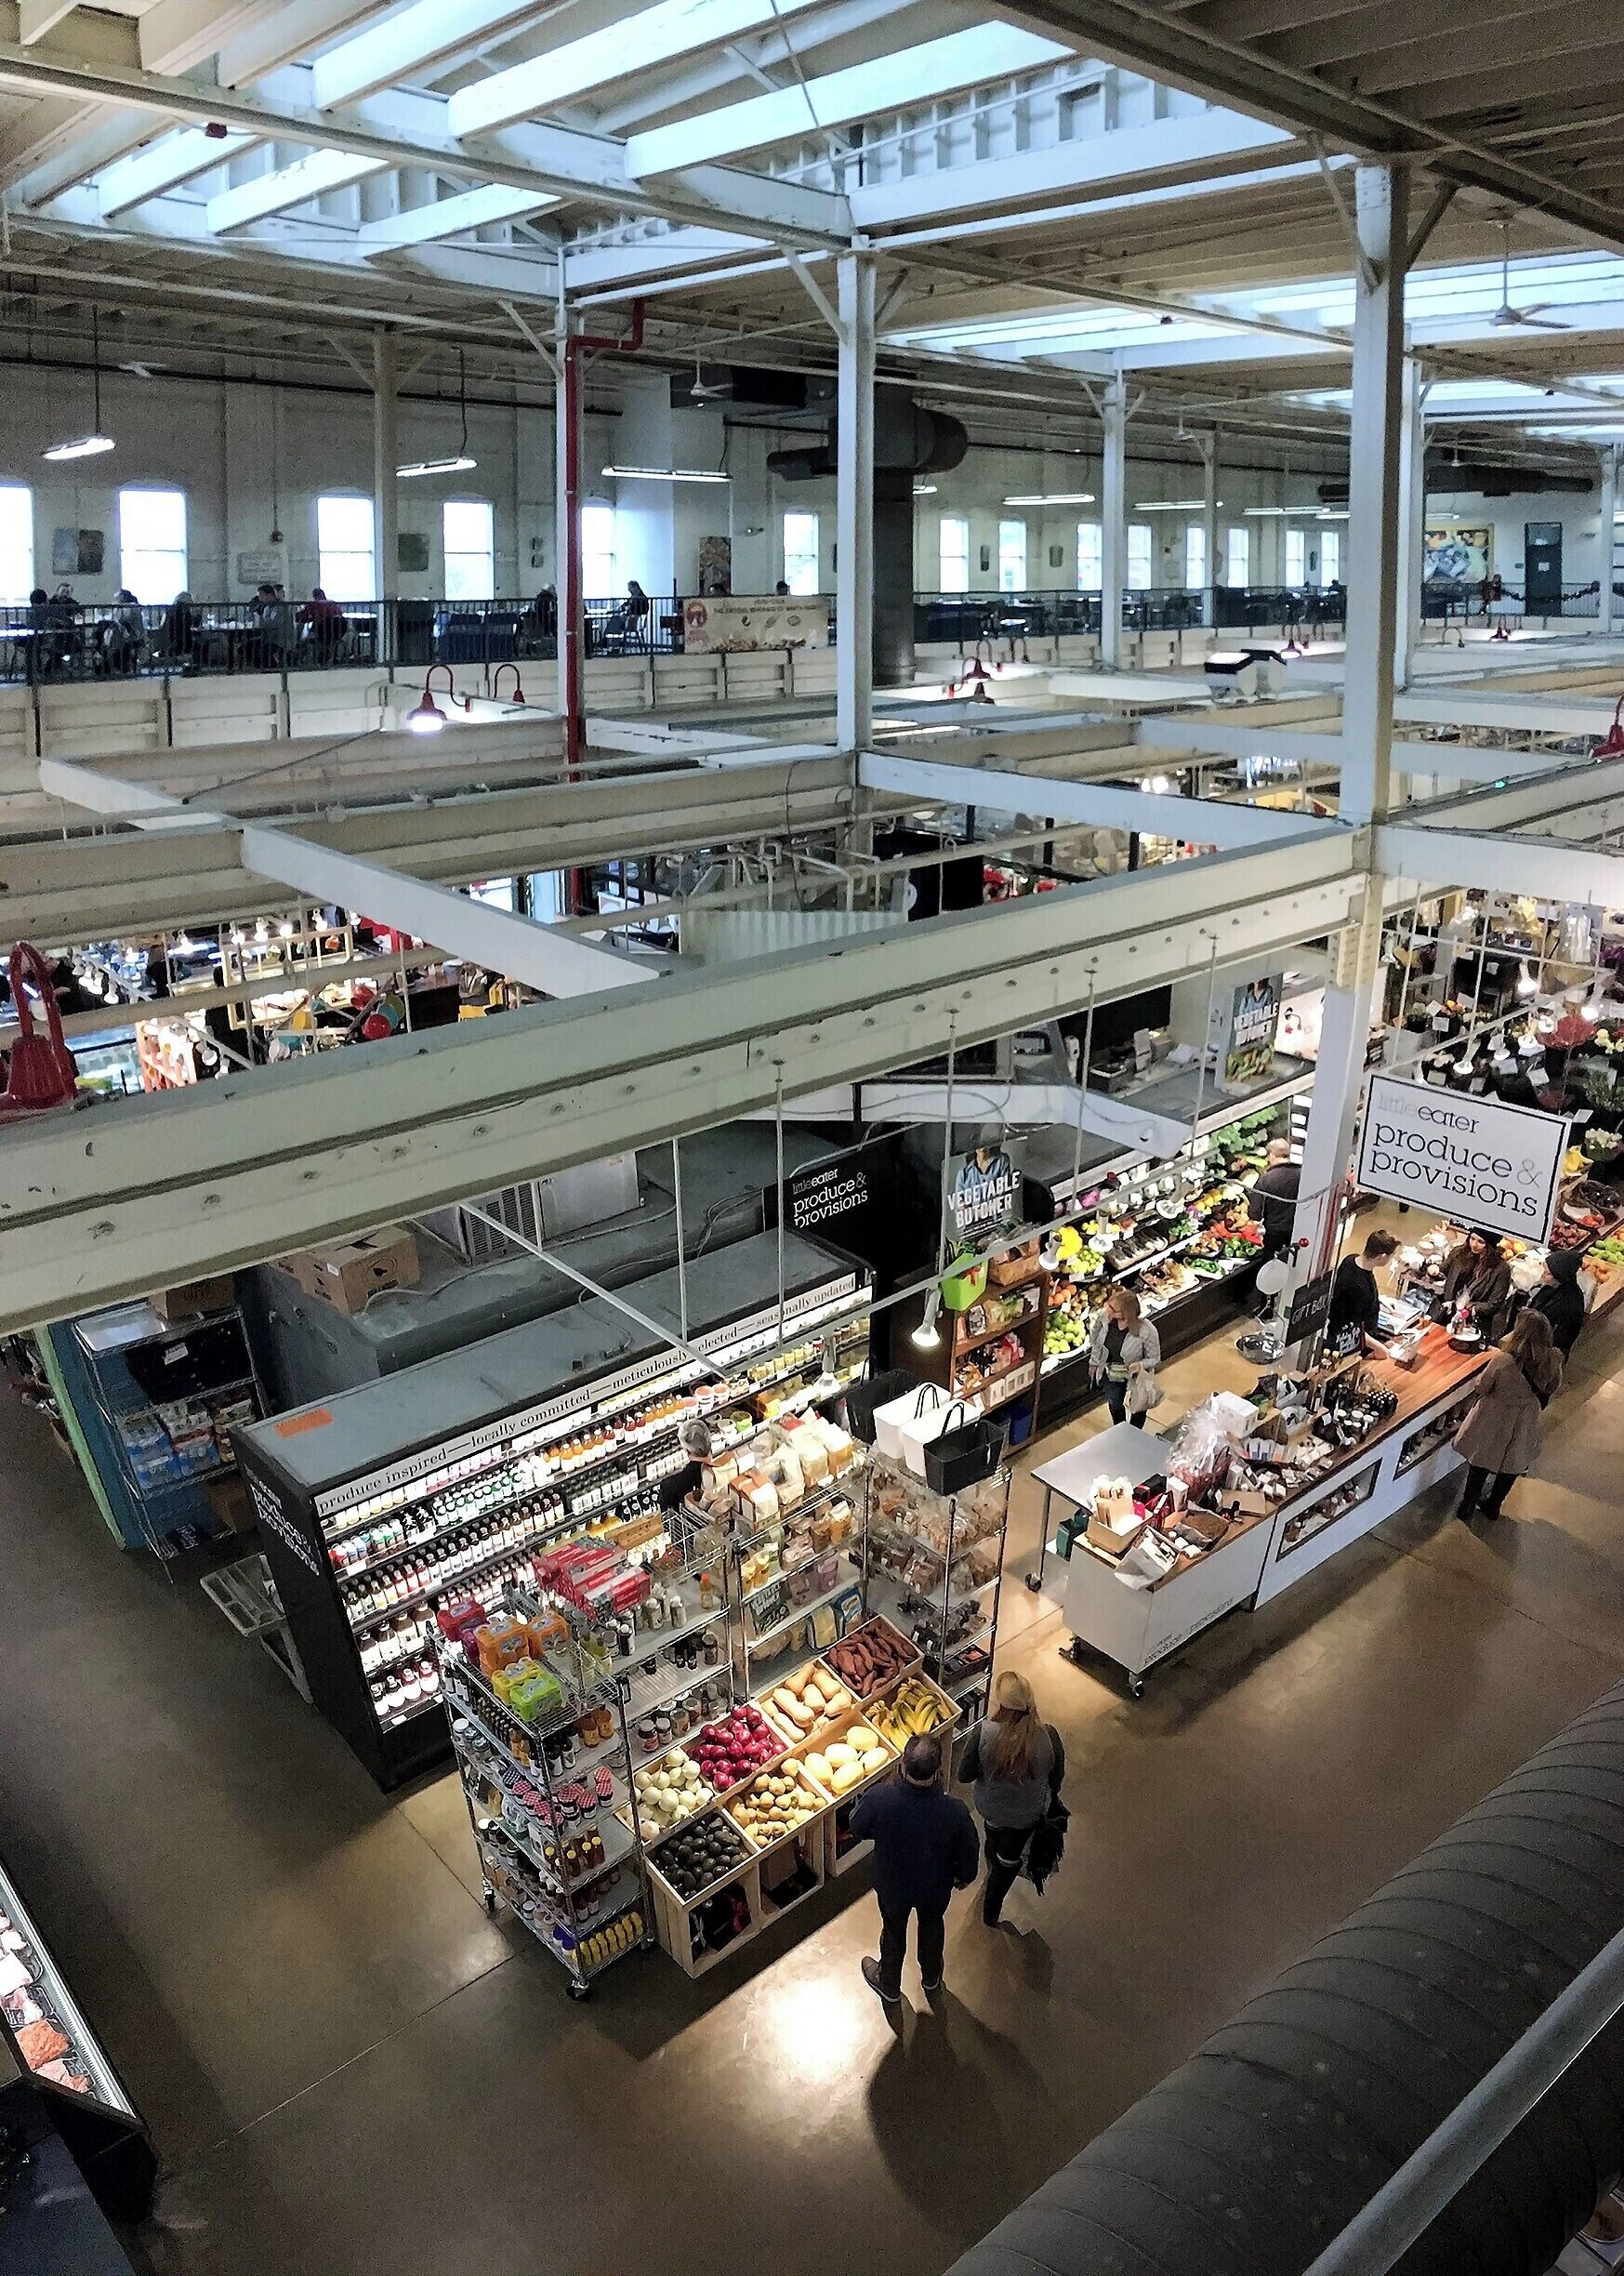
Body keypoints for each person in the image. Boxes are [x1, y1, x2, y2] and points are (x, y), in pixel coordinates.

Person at [850, 1732, 977, 2005]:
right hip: (934, 1888)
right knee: (932, 1928)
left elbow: (857, 1826)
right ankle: (931, 1978)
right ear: (938, 1769)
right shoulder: (954, 1811)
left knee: (893, 1931)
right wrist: (964, 1876)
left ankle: (889, 1984)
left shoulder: (880, 1798)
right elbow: (969, 1850)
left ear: (902, 1764)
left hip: (892, 1885)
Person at [956, 1671, 1066, 1927]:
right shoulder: (1048, 1736)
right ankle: (992, 1908)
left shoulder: (984, 1733)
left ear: (1002, 1705)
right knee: (1010, 1859)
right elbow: (1056, 1780)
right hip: (1027, 1817)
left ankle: (992, 1868)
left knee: (993, 1838)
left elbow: (963, 1775)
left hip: (991, 1810)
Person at [1453, 1308, 1563, 1519]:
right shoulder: (1553, 1359)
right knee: (1513, 1463)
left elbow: (1483, 1386)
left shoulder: (1504, 1360)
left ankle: (1467, 1505)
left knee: (1480, 1461)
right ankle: (1493, 1506)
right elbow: (1552, 1386)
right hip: (1526, 1418)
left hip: (1495, 1415)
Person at [1089, 1283, 1161, 1428]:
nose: (1107, 1310)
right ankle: (1120, 1428)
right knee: (1115, 1404)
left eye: (1113, 1309)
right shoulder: (1105, 1319)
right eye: (1109, 1305)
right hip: (1111, 1374)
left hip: (1136, 1376)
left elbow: (1155, 1358)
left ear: (1126, 1313)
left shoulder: (1146, 1330)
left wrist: (1140, 1365)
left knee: (1139, 1406)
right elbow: (1096, 1341)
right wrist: (1094, 1362)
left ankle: (1135, 1431)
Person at [1328, 1229, 1400, 1353]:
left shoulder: (1351, 1259)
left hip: (1362, 1334)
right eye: (1391, 1256)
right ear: (1382, 1256)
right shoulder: (1358, 1287)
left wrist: (1380, 1299)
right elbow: (1354, 1329)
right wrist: (1381, 1349)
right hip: (1352, 1344)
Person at [1439, 1227, 1512, 1341]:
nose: (1474, 1245)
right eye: (1472, 1238)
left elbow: (1494, 1303)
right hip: (1448, 1312)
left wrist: (1472, 1308)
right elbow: (1443, 1271)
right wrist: (1434, 1271)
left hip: (1475, 1322)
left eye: (1480, 1242)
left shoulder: (1501, 1269)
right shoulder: (1459, 1253)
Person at [1248, 1138, 1301, 1264]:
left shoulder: (1266, 1180)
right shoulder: (1302, 1174)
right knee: (1295, 1259)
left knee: (1270, 1263)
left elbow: (1255, 1214)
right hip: (1298, 1226)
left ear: (1272, 1156)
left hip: (1274, 1232)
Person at [1528, 1250, 1588, 1360]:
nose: (1542, 1275)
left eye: (1548, 1274)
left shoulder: (1570, 1304)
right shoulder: (1553, 1288)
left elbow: (1559, 1340)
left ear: (1560, 1277)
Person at [299, 586, 342, 661]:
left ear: (314, 596)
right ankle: (331, 656)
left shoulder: (314, 605)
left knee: (307, 637)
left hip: (320, 630)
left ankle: (307, 657)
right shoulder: (332, 603)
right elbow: (340, 615)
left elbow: (304, 618)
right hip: (336, 631)